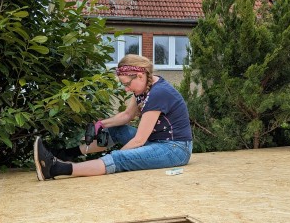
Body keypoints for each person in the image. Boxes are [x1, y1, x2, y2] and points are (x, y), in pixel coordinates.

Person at [34, 54, 192, 180]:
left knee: (120, 158)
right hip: (157, 142)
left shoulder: (158, 93)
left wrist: (121, 156)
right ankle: (65, 154)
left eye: (127, 84)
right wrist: (101, 124)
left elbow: (139, 140)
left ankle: (56, 168)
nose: (126, 89)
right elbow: (127, 115)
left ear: (140, 76)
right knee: (117, 130)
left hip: (175, 149)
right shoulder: (144, 88)